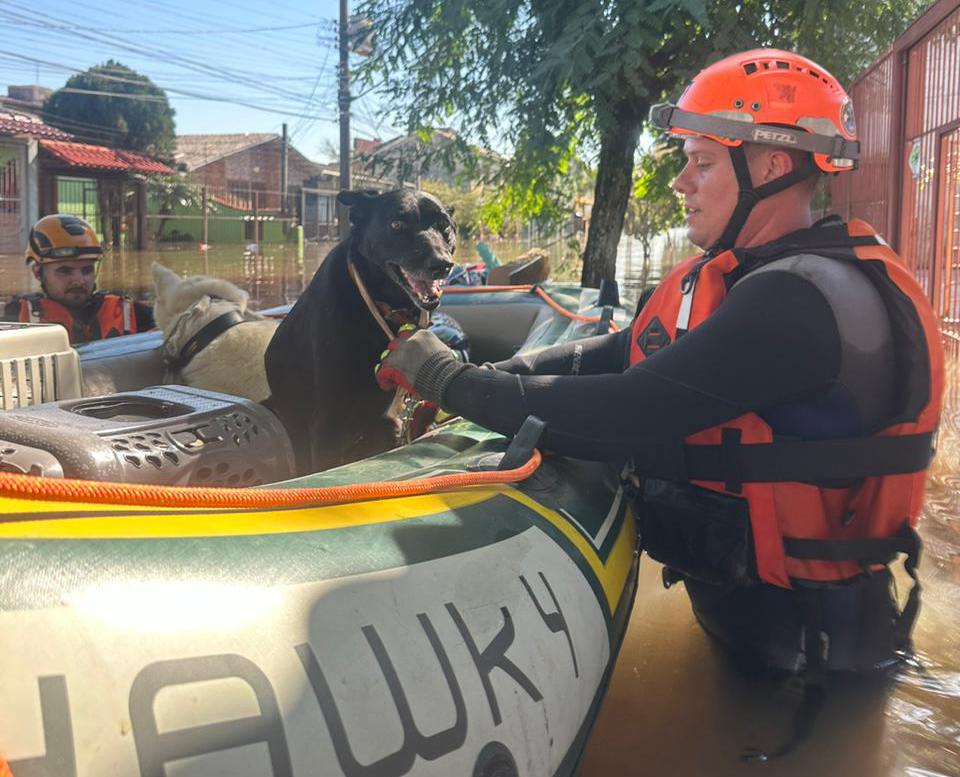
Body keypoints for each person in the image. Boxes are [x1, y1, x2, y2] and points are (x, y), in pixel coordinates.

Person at [375, 49, 945, 674]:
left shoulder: (794, 302)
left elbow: (628, 411)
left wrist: (445, 377)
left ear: (775, 166)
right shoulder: (757, 279)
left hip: (804, 671)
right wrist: (498, 377)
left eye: (701, 164)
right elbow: (621, 354)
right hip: (776, 632)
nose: (681, 182)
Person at [5, 214, 154, 344]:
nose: (79, 281)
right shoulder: (14, 320)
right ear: (37, 273)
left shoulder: (131, 314)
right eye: (65, 271)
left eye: (87, 270)